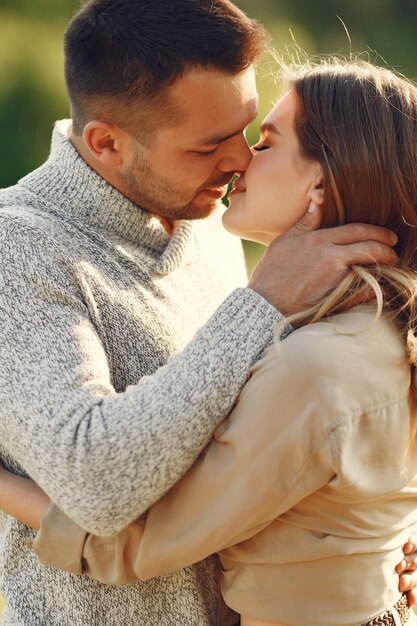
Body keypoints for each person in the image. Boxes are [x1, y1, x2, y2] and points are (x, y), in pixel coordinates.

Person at [0, 0, 412, 624]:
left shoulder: (210, 221)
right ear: (106, 142)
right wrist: (260, 305)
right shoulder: (20, 250)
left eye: (249, 131)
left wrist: (362, 553)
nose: (240, 159)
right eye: (209, 145)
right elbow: (96, 485)